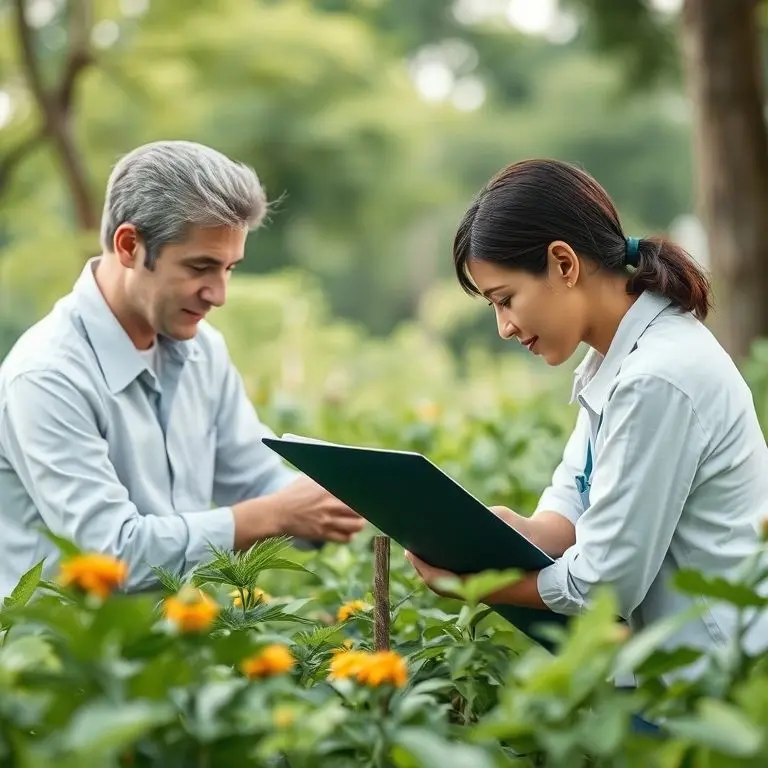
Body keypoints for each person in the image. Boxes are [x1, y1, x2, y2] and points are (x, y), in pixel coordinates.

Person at [405, 158, 768, 685]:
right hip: (676, 675)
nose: (504, 327)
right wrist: (521, 532)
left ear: (563, 263)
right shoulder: (615, 358)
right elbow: (578, 490)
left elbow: (607, 582)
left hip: (716, 681)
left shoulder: (657, 375)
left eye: (505, 300)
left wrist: (478, 586)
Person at [0, 140, 365, 598]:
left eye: (229, 268)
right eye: (200, 267)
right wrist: (273, 515)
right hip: (67, 660)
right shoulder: (47, 376)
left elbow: (253, 476)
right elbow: (109, 556)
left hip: (179, 644)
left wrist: (345, 497)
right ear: (130, 245)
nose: (219, 293)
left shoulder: (202, 351)